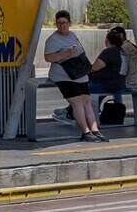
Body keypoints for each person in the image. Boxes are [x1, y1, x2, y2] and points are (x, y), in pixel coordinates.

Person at [43, 11, 104, 142]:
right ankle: (85, 132)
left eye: (64, 23)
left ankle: (95, 130)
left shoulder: (73, 35)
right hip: (63, 75)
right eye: (59, 23)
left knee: (86, 101)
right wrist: (67, 53)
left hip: (78, 73)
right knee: (77, 102)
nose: (62, 25)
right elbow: (48, 57)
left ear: (69, 23)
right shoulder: (53, 40)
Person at [87, 26, 130, 122]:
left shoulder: (109, 52)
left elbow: (94, 68)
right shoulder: (122, 52)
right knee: (96, 94)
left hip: (108, 85)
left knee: (81, 89)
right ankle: (95, 112)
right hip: (120, 85)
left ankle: (69, 113)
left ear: (107, 40)